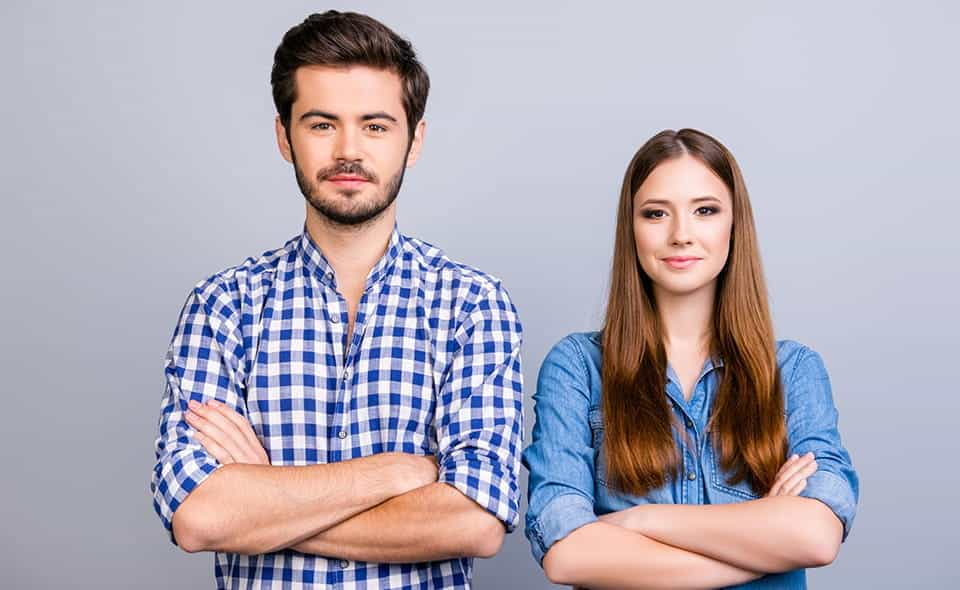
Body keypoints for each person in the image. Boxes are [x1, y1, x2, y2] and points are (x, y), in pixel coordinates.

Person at [150, 11, 523, 589]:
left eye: (375, 126)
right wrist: (400, 472)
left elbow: (474, 522)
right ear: (284, 136)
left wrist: (265, 490)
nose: (349, 149)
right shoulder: (222, 306)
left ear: (414, 140)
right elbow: (200, 517)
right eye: (322, 124)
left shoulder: (472, 304)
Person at [523, 128, 858, 588]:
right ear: (631, 229)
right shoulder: (578, 367)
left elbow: (817, 537)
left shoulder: (793, 371)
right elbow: (568, 554)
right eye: (656, 213)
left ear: (734, 225)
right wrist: (764, 536)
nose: (681, 235)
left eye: (705, 211)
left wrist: (642, 521)